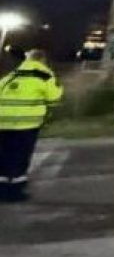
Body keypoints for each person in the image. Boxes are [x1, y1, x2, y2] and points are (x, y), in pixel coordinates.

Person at [0, 48, 64, 202]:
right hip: (26, 124)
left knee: (4, 156)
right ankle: (15, 191)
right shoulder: (44, 74)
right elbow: (54, 98)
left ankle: (2, 188)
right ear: (42, 60)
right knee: (20, 156)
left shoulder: (12, 75)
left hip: (3, 122)